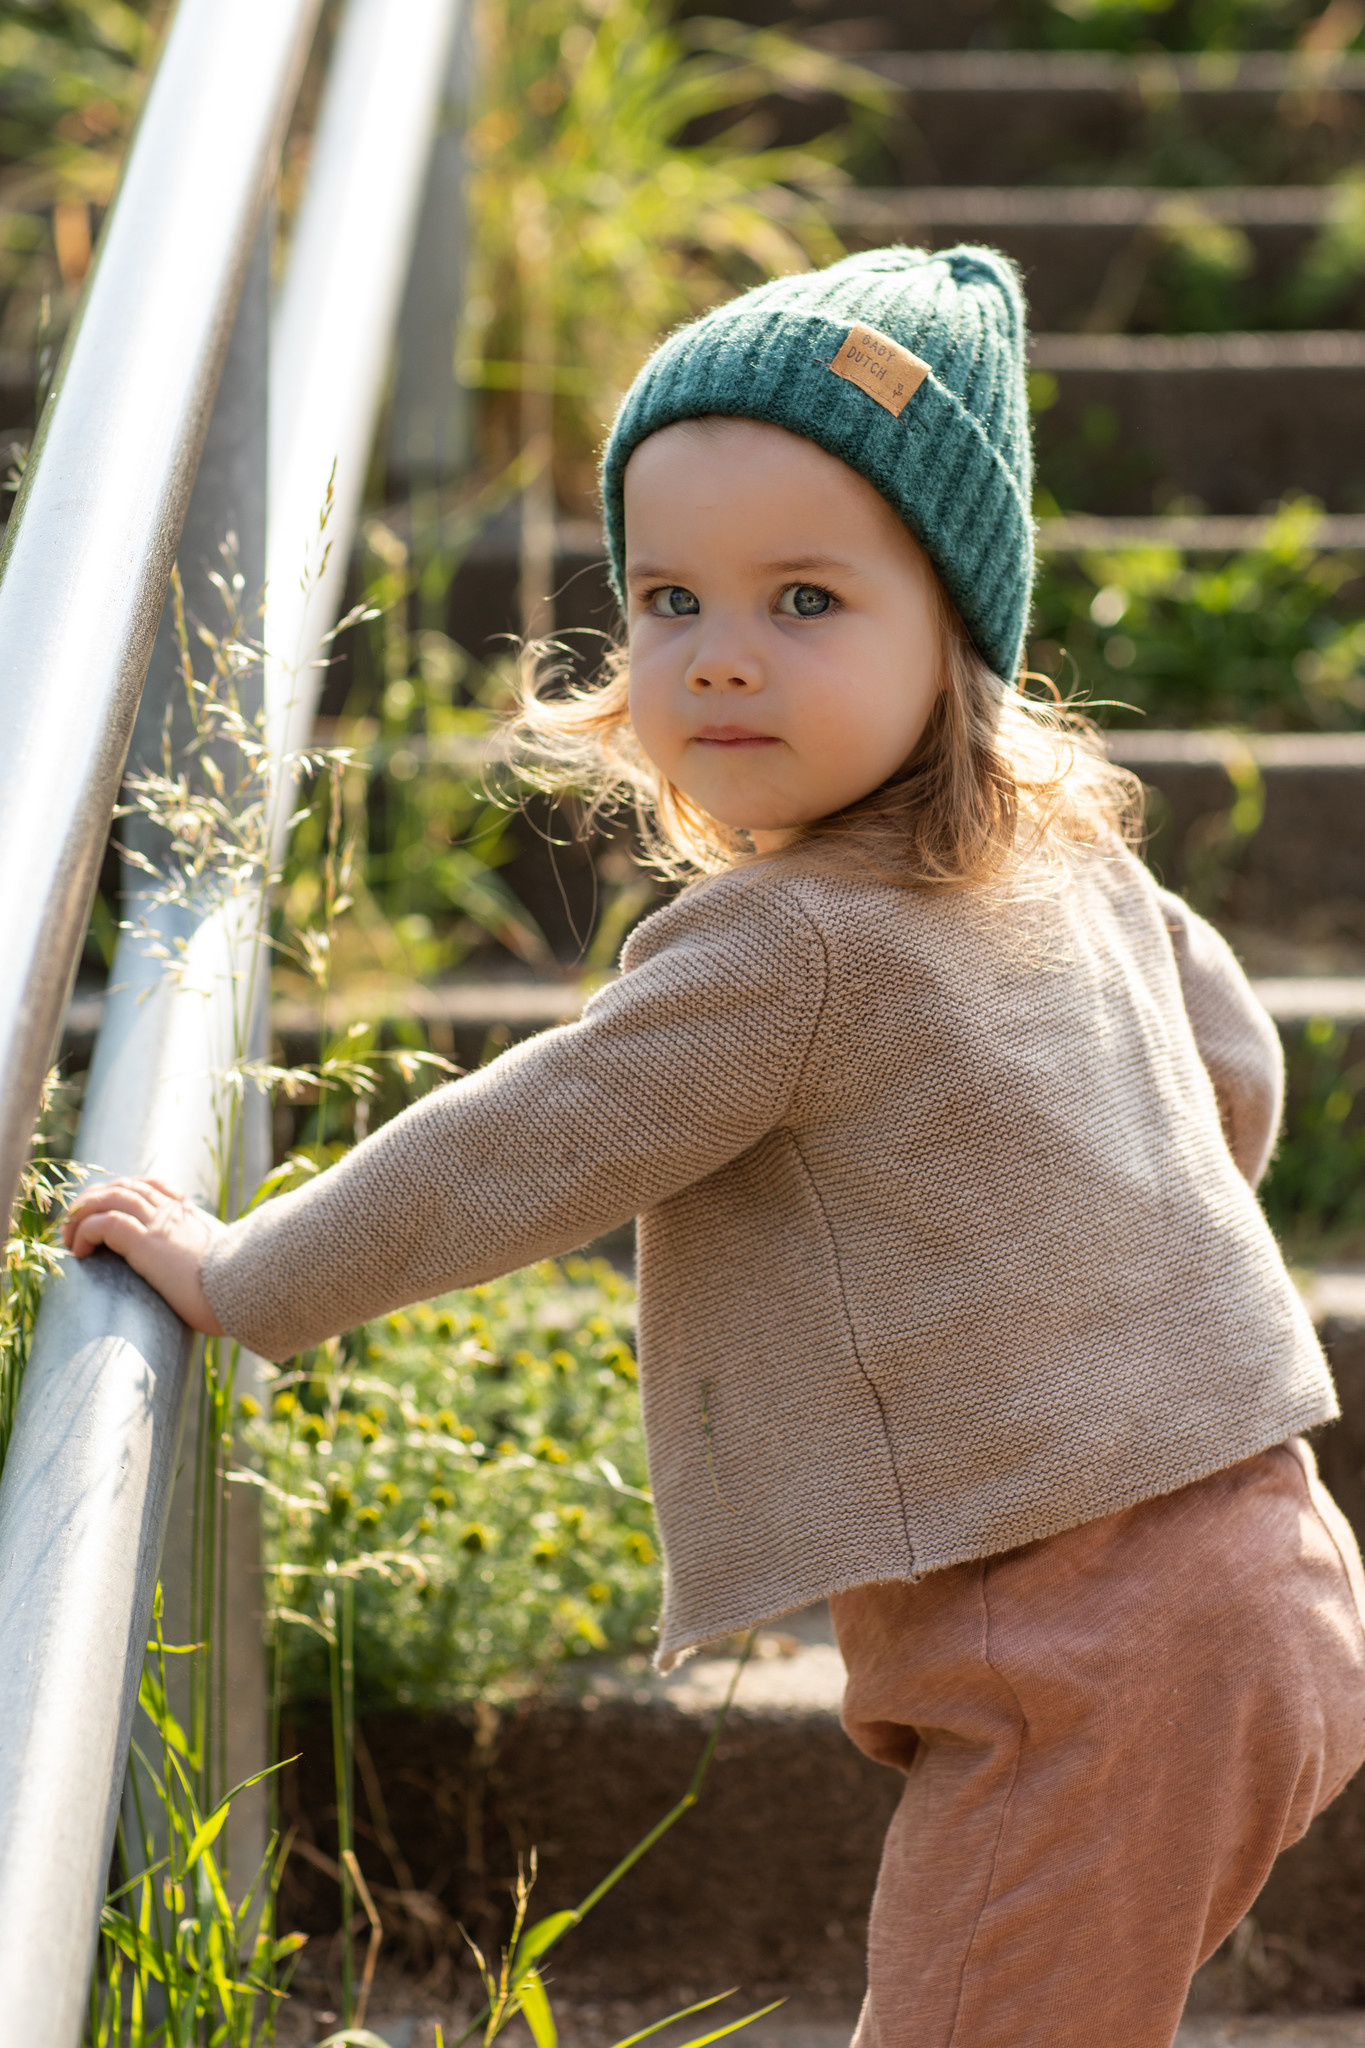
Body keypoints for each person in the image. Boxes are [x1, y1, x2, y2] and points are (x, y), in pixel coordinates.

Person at [64, 246, 1365, 2047]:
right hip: (1268, 1572)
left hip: (1089, 1647)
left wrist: (245, 1273)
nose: (719, 656)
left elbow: (511, 1148)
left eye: (806, 601)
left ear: (955, 636)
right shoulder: (1067, 866)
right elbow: (1225, 1066)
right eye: (667, 598)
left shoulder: (787, 944)